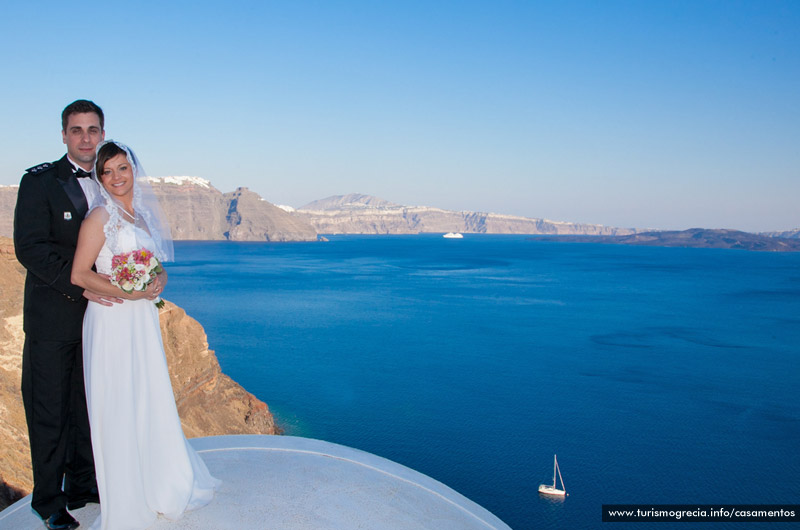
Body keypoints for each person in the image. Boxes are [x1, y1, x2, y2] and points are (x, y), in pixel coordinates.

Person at [71, 140, 220, 530]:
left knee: (147, 395)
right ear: (99, 177)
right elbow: (80, 274)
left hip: (141, 321)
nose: (117, 177)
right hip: (112, 321)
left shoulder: (138, 217)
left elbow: (154, 266)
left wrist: (160, 279)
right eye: (108, 171)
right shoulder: (100, 217)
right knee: (118, 402)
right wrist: (128, 292)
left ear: (133, 170)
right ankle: (127, 497)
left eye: (123, 168)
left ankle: (158, 481)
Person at [14, 100, 122, 530]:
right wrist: (82, 286)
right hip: (53, 320)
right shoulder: (39, 182)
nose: (85, 138)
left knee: (85, 406)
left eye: (92, 130)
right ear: (64, 135)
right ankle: (48, 502)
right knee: (49, 411)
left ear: (102, 133)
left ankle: (83, 485)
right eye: (76, 130)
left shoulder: (110, 181)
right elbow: (30, 248)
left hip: (101, 321)